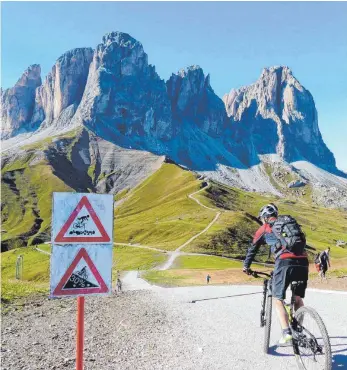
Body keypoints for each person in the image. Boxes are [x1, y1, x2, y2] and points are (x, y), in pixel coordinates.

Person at [243, 203, 309, 346]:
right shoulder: (288, 224)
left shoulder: (265, 228)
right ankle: (298, 331)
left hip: (285, 262)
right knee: (297, 298)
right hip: (303, 261)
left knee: (277, 299)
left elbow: (252, 248)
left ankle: (286, 333)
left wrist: (246, 266)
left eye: (262, 218)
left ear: (265, 217)